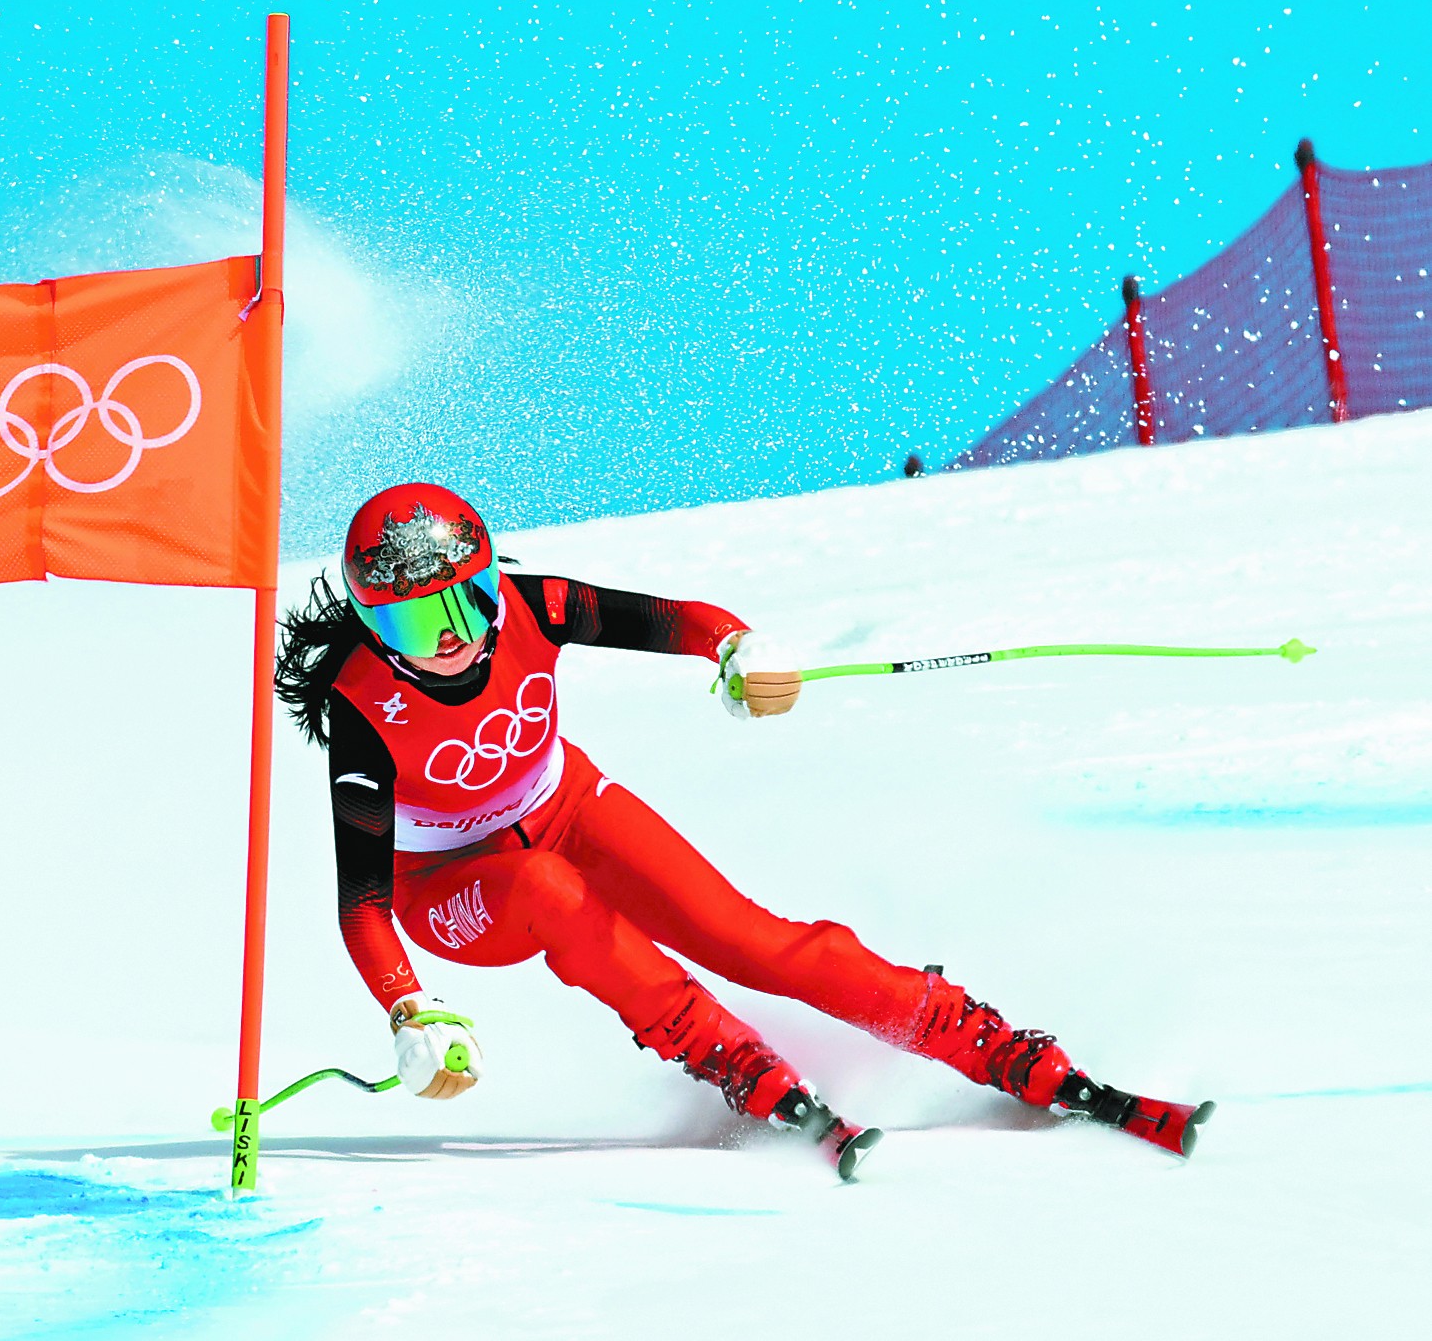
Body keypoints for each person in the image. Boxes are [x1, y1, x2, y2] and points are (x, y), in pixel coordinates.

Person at [275, 481, 1212, 1179]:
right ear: (373, 626)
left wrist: (737, 649)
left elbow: (681, 622)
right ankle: (732, 1059)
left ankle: (989, 1043)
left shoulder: (536, 606)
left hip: (567, 807)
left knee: (751, 940)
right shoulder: (362, 706)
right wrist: (412, 1008)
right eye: (413, 622)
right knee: (550, 892)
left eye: (462, 603)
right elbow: (364, 903)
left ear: (490, 583)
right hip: (453, 888)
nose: (448, 637)